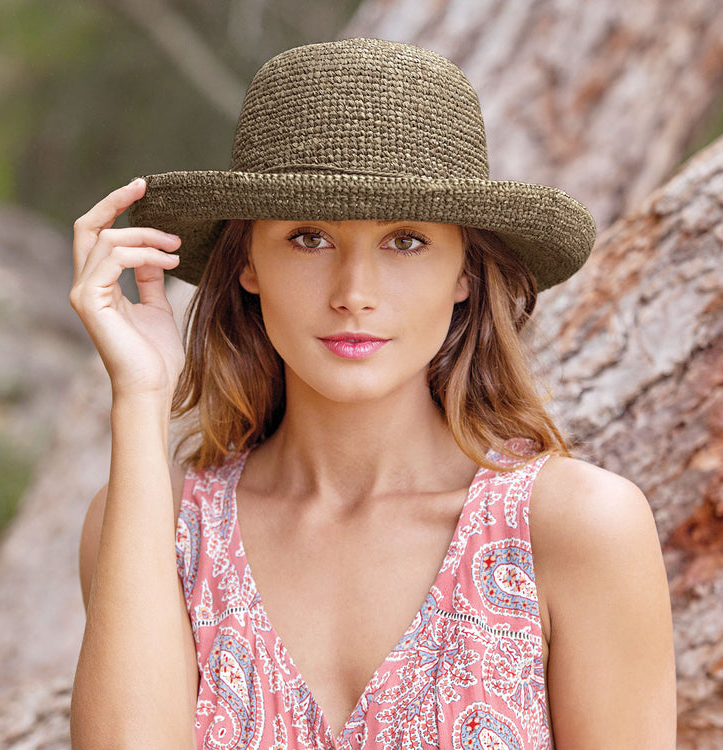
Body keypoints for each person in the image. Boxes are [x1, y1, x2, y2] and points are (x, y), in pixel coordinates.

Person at [69, 38, 675, 750]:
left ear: (465, 276)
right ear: (248, 264)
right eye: (309, 238)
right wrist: (141, 398)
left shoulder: (577, 527)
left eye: (406, 242)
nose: (354, 294)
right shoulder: (157, 523)